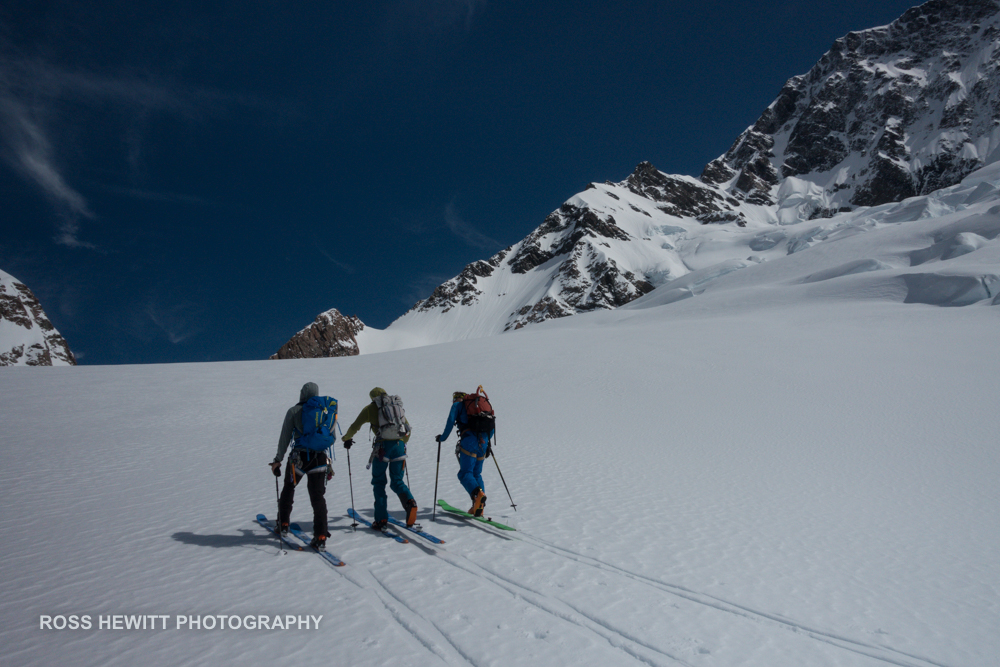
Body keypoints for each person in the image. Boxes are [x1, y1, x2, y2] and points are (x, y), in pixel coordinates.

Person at [269, 382, 334, 551]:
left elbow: (285, 437)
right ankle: (320, 535)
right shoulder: (324, 412)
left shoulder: (294, 411)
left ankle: (283, 524)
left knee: (289, 488)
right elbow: (331, 435)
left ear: (302, 394)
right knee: (318, 497)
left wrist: (278, 459)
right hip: (320, 459)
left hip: (298, 459)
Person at [342, 387, 417, 530]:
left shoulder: (370, 408)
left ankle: (381, 519)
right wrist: (401, 443)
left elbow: (355, 426)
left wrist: (346, 438)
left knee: (379, 483)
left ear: (373, 398)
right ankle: (410, 502)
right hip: (399, 447)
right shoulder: (395, 407)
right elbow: (407, 429)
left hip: (382, 449)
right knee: (397, 481)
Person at [436, 390, 494, 517]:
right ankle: (479, 506)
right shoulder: (478, 407)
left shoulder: (457, 406)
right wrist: (487, 442)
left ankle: (478, 495)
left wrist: (442, 438)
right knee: (476, 474)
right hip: (483, 442)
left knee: (465, 473)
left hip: (469, 441)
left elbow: (450, 422)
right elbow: (491, 425)